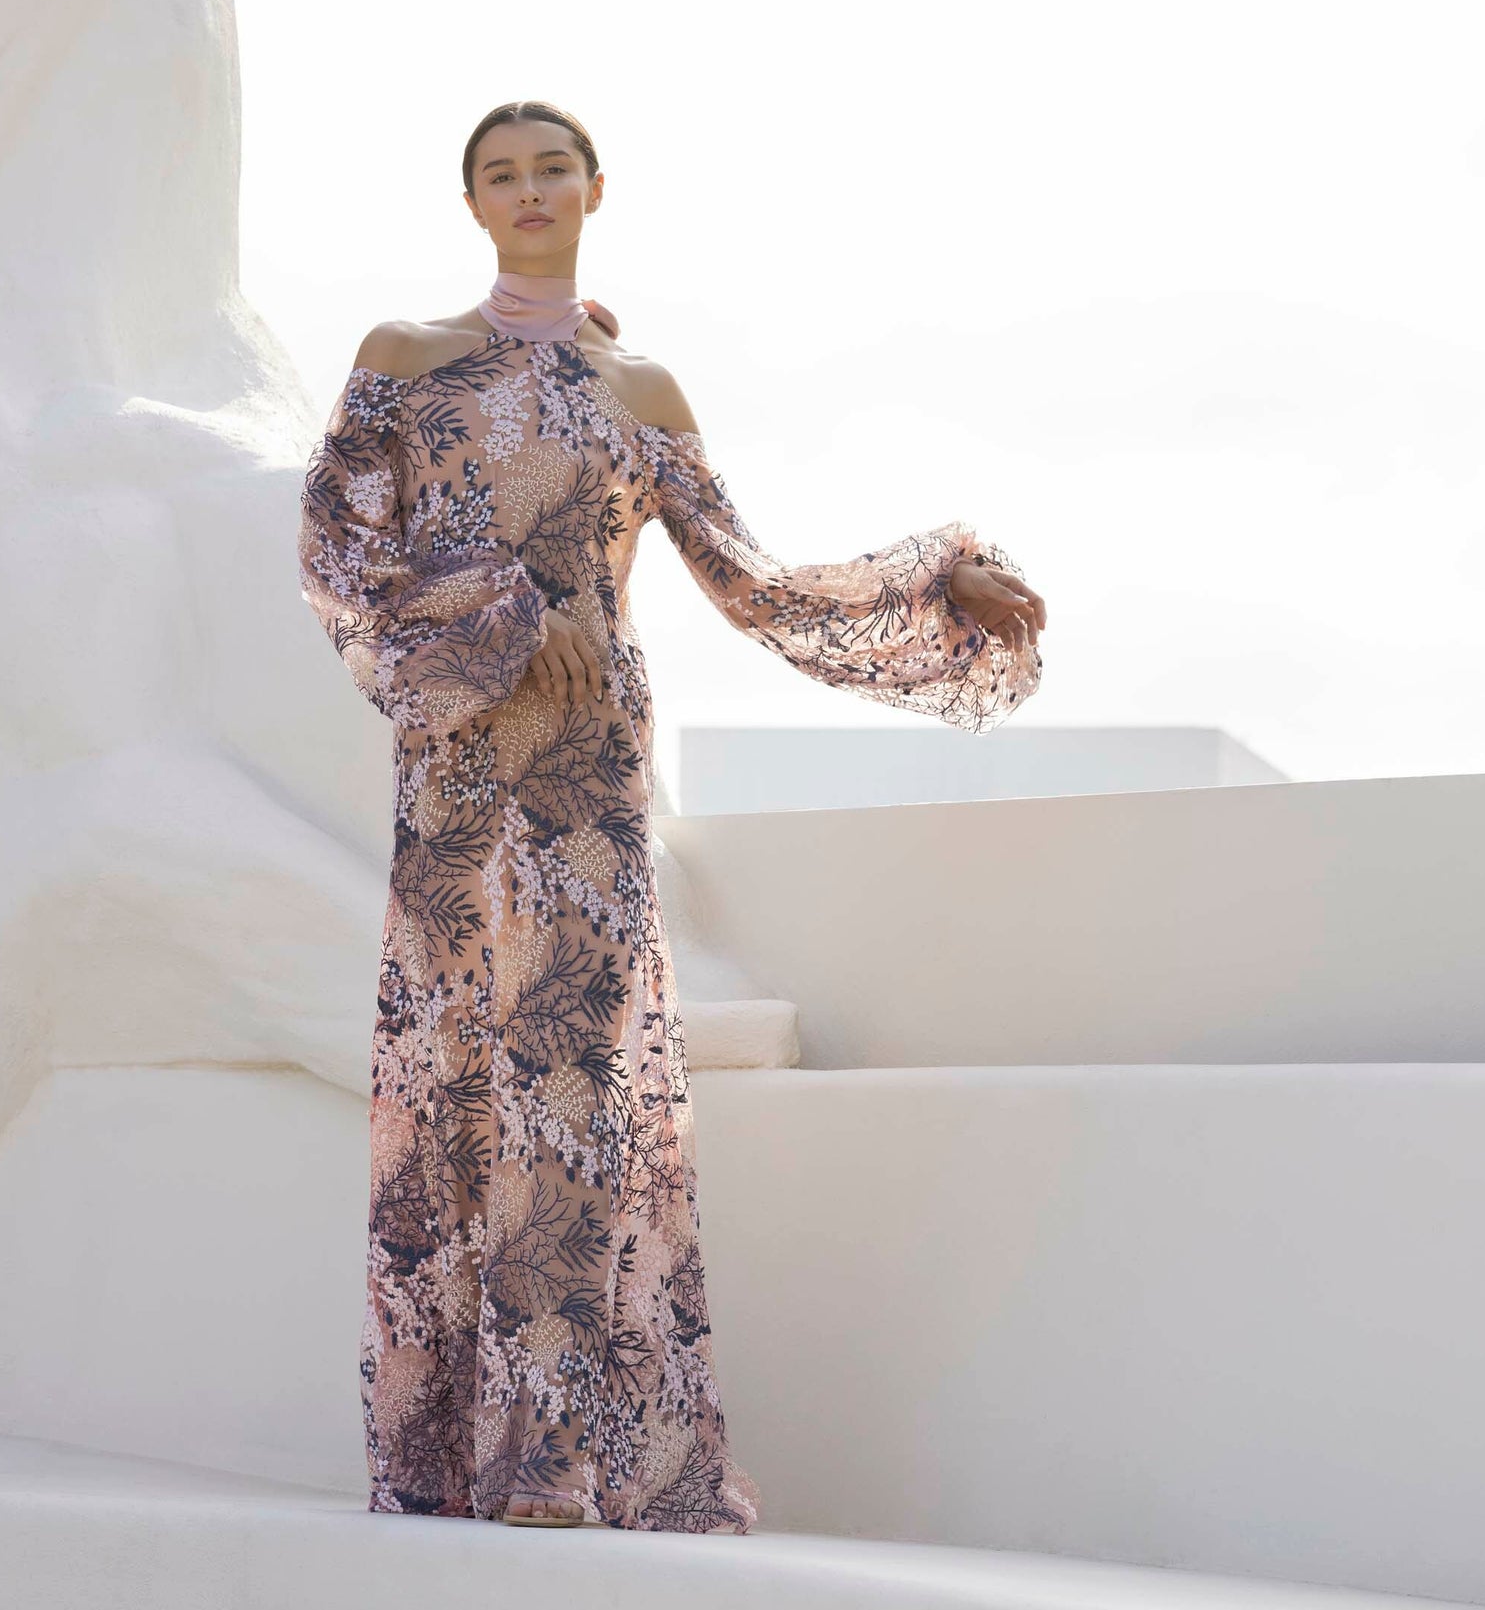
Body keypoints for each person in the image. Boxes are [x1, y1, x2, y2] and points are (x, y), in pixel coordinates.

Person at [297, 98, 1046, 1533]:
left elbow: (749, 581)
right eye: (501, 175)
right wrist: (503, 614)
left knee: (579, 1102)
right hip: (466, 762)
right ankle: (456, 1450)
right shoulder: (405, 358)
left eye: (551, 169)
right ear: (474, 204)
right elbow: (339, 549)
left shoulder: (643, 390)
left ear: (593, 188)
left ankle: (555, 1466)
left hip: (589, 771)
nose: (529, 190)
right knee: (465, 1078)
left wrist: (942, 576)